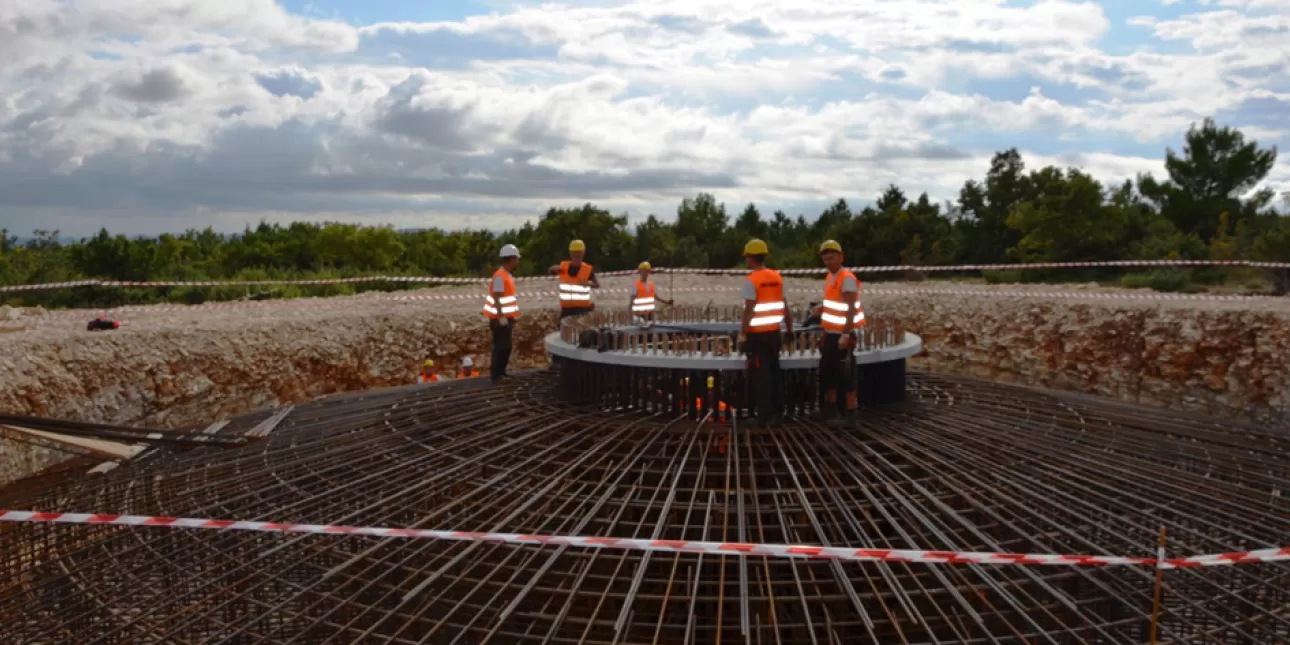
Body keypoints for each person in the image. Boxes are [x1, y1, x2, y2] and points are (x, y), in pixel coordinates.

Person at [738, 239, 792, 425]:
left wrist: (743, 334)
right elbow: (785, 305)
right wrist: (790, 328)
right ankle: (778, 413)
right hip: (774, 335)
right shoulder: (777, 277)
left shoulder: (751, 281)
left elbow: (749, 310)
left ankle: (763, 416)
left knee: (761, 377)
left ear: (750, 258)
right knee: (774, 373)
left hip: (758, 337)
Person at [814, 240, 865, 421]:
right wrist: (822, 308)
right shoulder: (830, 277)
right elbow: (836, 303)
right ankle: (831, 409)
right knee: (828, 373)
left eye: (832, 255)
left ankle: (850, 413)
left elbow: (850, 308)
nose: (828, 259)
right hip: (830, 334)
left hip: (842, 336)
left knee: (845, 375)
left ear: (840, 257)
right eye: (825, 256)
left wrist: (845, 334)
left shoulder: (847, 278)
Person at [484, 244, 522, 384]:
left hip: (506, 317)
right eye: (516, 259)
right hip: (500, 318)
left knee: (506, 347)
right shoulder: (500, 276)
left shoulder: (506, 275)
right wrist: (501, 317)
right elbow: (497, 297)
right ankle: (496, 376)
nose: (517, 261)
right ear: (511, 259)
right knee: (500, 348)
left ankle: (502, 373)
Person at [548, 239, 599, 322]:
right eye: (574, 252)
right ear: (571, 253)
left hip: (583, 309)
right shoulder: (563, 267)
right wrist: (553, 268)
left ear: (582, 253)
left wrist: (588, 284)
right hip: (567, 309)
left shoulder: (587, 269)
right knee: (563, 330)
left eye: (578, 252)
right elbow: (550, 271)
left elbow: (597, 285)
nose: (576, 255)